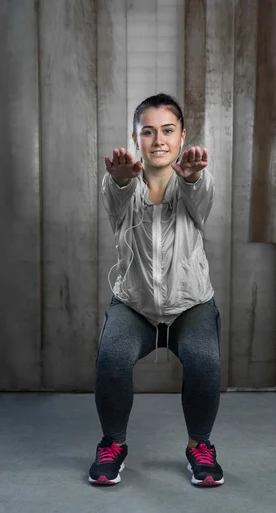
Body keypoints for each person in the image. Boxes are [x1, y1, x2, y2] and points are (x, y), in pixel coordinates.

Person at [88, 93, 224, 487]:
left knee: (203, 359)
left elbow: (200, 191)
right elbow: (114, 192)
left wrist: (195, 175)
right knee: (111, 356)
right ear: (136, 140)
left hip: (190, 304)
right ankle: (112, 444)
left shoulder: (195, 187)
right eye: (148, 132)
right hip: (135, 306)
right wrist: (118, 178)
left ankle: (200, 446)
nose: (159, 140)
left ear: (182, 136)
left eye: (168, 130)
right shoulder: (123, 189)